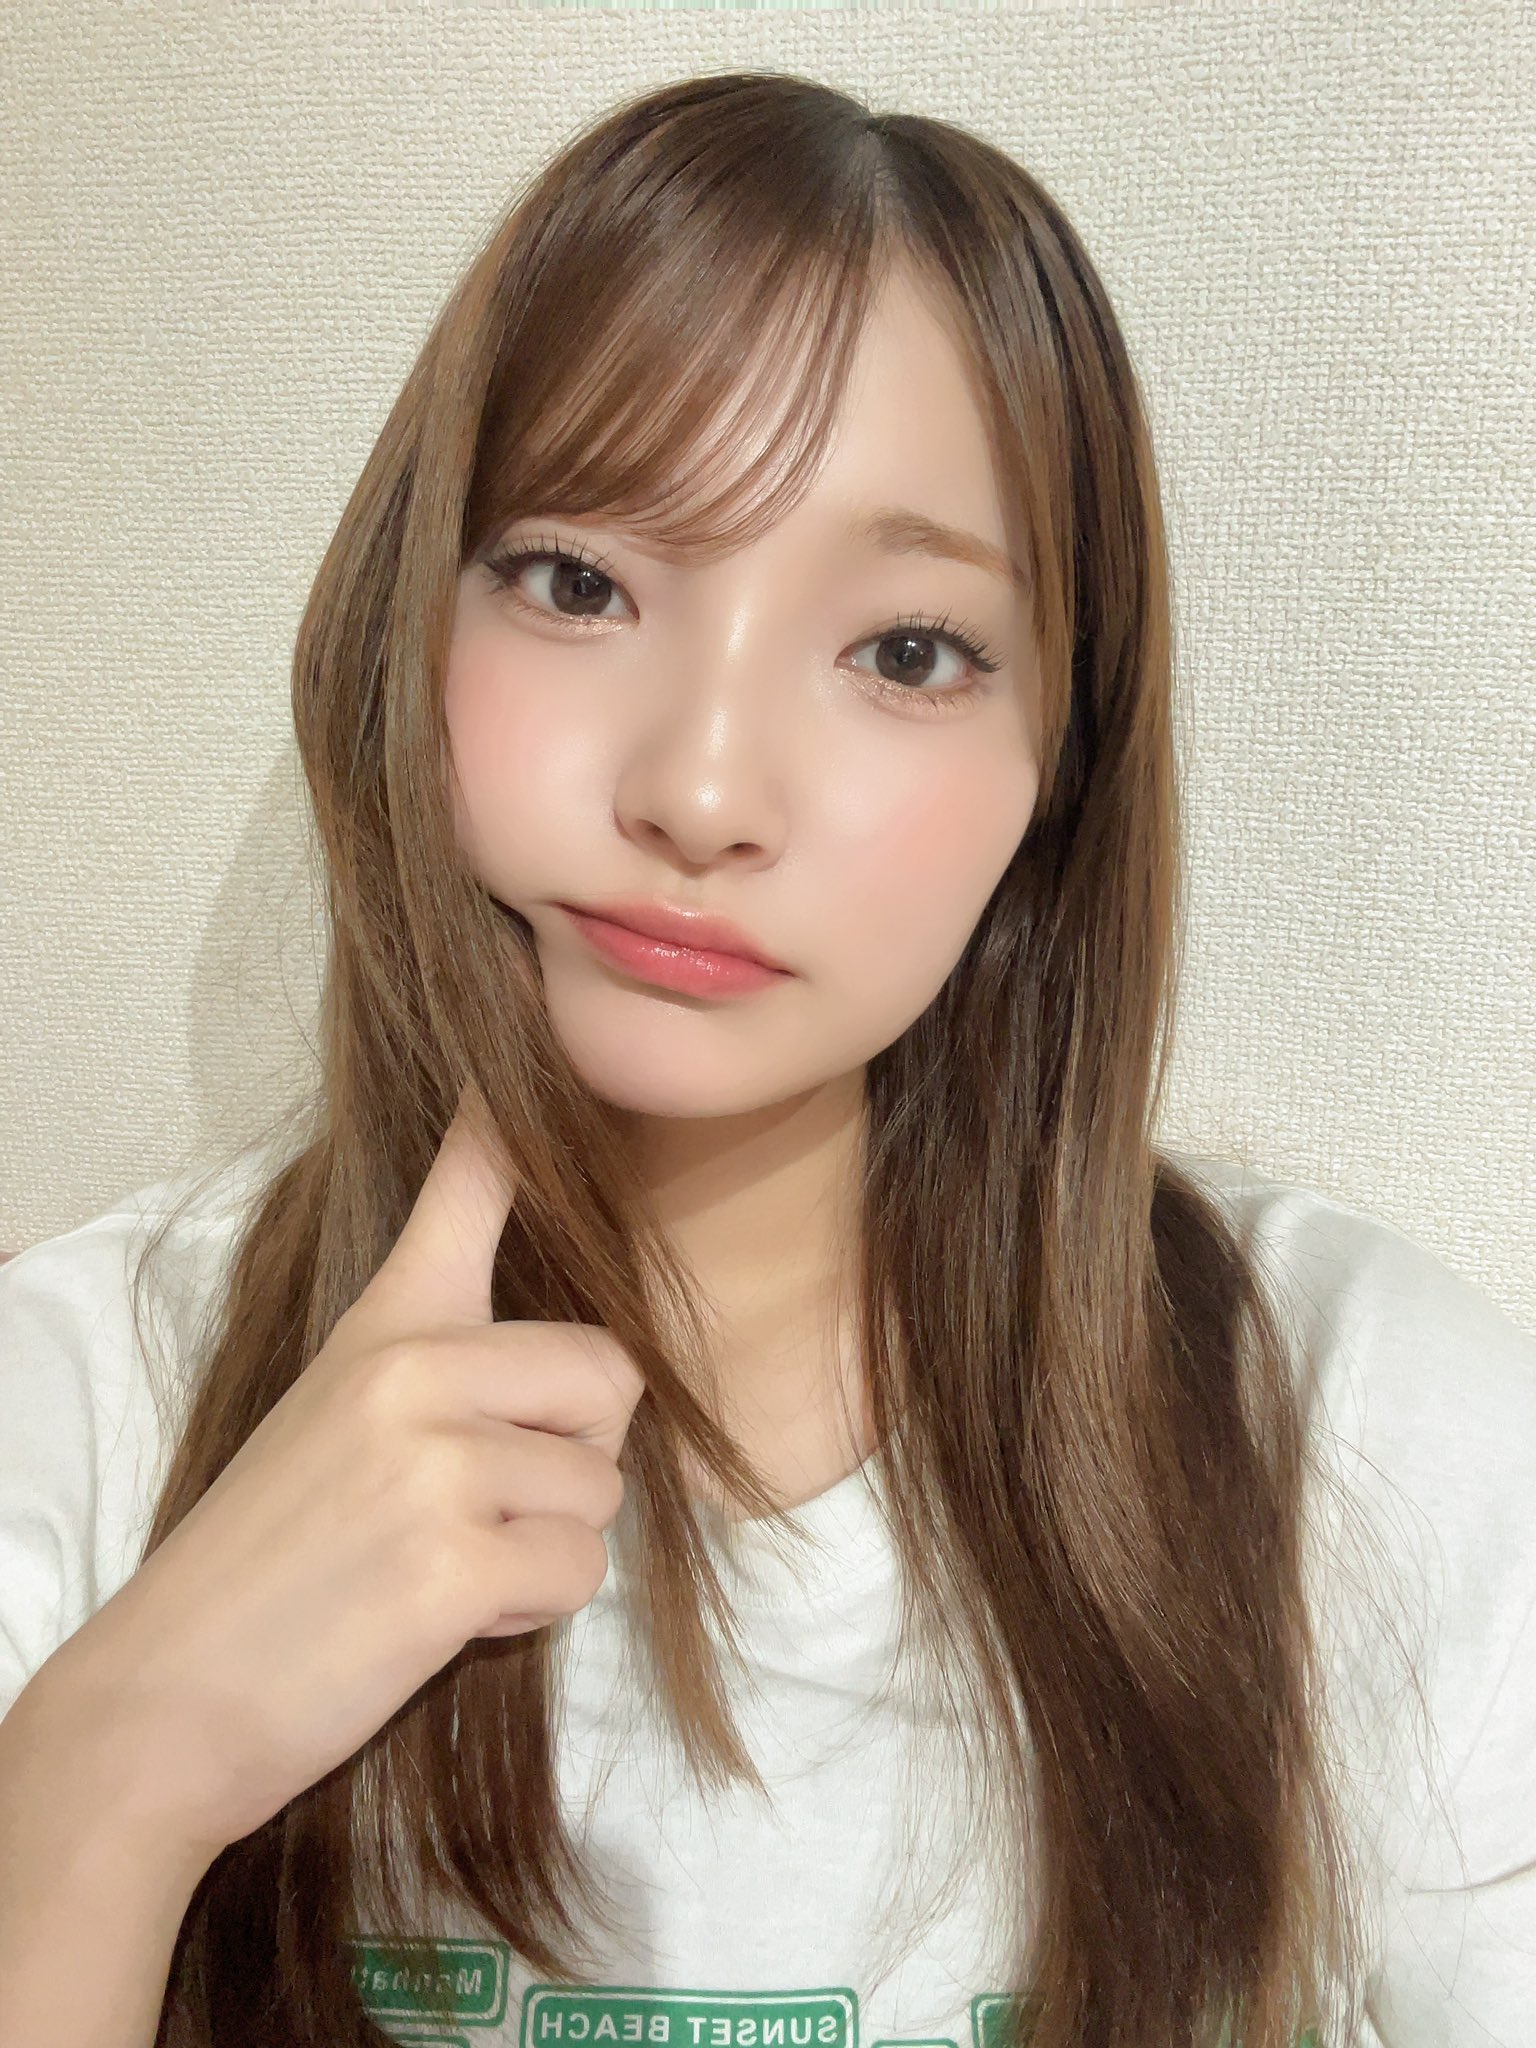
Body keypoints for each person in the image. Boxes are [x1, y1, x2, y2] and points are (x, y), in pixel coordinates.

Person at [0, 67, 1532, 2048]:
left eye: (906, 650)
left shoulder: (1361, 1435)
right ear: (408, 627)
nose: (704, 789)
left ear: (1054, 775)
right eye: (579, 581)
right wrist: (114, 1775)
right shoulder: (85, 1410)